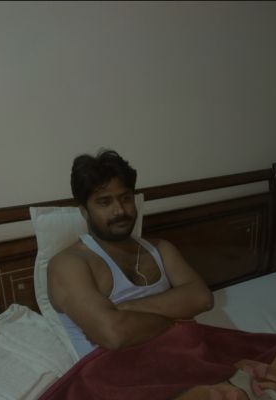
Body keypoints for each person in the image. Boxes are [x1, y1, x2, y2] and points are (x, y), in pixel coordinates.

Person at [48, 149, 214, 359]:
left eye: (126, 198)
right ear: (84, 211)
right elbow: (114, 335)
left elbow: (202, 298)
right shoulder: (68, 264)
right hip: (113, 372)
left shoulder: (161, 249)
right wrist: (177, 318)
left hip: (179, 358)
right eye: (105, 202)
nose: (119, 210)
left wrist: (128, 307)